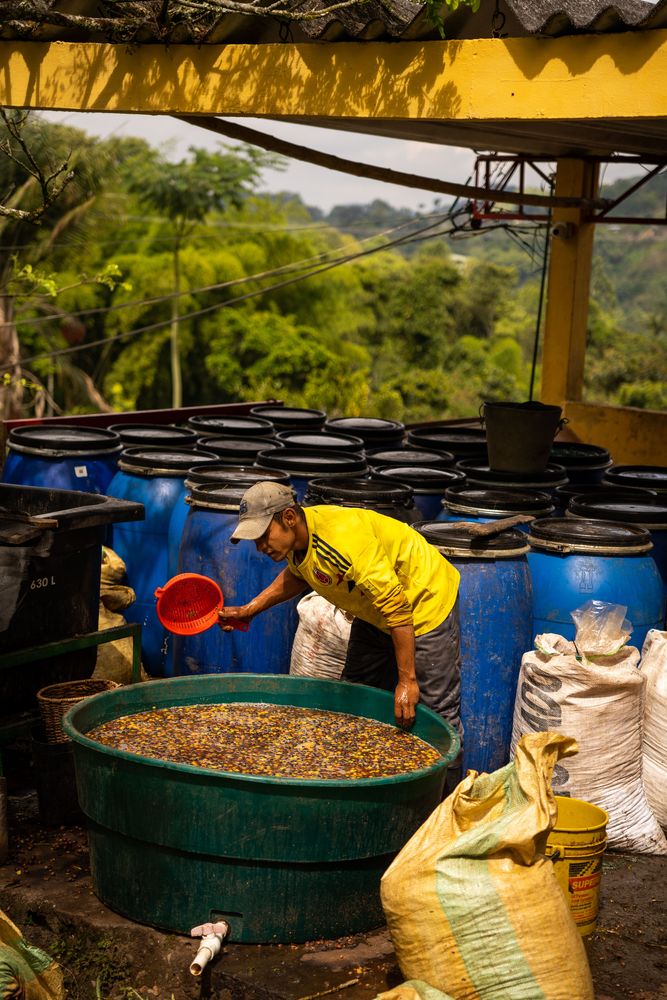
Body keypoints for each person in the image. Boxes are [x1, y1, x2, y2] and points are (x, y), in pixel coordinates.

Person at [220, 481, 461, 738]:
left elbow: (398, 609)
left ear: (289, 517)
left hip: (422, 603)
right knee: (354, 696)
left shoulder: (343, 542)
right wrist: (251, 609)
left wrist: (407, 681)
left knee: (435, 714)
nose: (260, 547)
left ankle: (453, 779)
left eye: (262, 536)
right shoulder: (297, 538)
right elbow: (299, 573)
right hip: (373, 610)